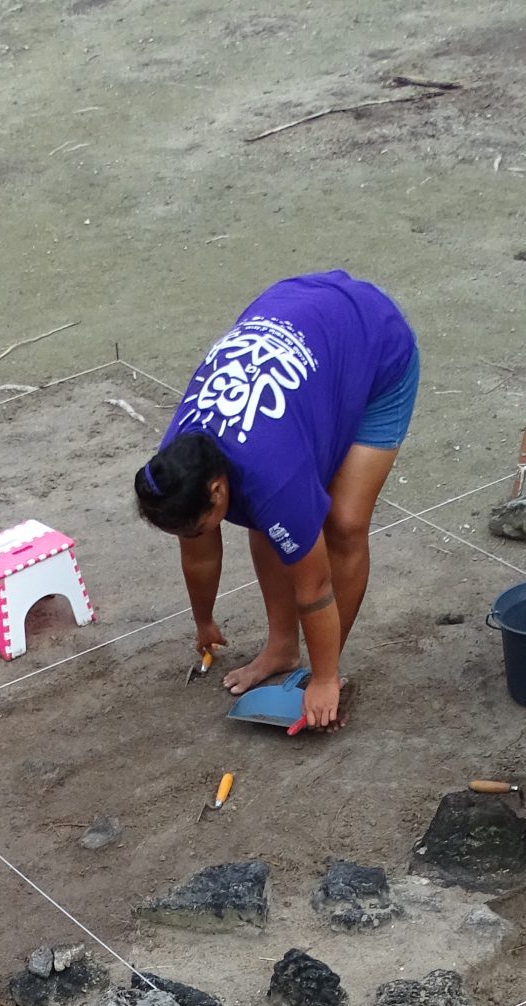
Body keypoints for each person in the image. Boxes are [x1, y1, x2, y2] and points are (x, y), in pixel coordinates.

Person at [134, 270, 420, 729]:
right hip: (297, 320)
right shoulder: (178, 466)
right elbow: (199, 553)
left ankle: (325, 673)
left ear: (217, 489)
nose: (191, 536)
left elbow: (314, 588)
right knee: (268, 518)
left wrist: (324, 678)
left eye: (195, 526)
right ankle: (282, 649)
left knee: (343, 523)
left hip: (372, 344)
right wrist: (204, 621)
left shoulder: (273, 476)